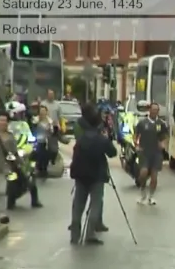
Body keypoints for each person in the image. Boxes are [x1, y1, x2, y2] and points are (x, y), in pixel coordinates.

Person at [69, 103, 117, 245]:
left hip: (80, 176)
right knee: (96, 204)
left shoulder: (81, 139)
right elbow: (112, 153)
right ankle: (90, 234)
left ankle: (74, 236)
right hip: (97, 176)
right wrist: (106, 138)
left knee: (78, 205)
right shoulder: (101, 139)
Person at [134, 103, 168, 205]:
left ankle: (151, 196)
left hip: (156, 153)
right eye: (153, 109)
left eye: (156, 110)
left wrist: (163, 144)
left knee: (154, 177)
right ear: (149, 110)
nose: (154, 111)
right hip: (145, 152)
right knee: (143, 173)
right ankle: (142, 192)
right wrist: (136, 145)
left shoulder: (161, 124)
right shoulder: (142, 123)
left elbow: (165, 136)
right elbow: (135, 135)